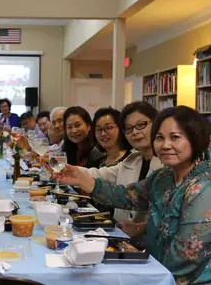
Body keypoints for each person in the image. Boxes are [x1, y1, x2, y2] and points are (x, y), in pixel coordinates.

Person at [56, 106, 211, 284]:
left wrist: (143, 277)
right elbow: (126, 196)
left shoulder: (203, 187)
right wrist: (80, 179)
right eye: (160, 138)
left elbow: (186, 257)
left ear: (195, 138)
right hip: (153, 269)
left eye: (175, 137)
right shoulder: (163, 177)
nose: (165, 145)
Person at [74, 101, 163, 237]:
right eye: (128, 128)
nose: (135, 132)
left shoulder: (168, 166)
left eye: (141, 125)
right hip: (122, 235)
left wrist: (140, 228)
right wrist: (64, 168)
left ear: (156, 124)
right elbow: (98, 174)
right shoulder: (133, 160)